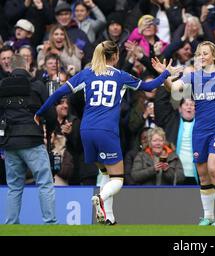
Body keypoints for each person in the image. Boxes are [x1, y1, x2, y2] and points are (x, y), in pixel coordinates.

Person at [34, 40, 179, 225]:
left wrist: (39, 114)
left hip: (86, 131)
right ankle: (101, 197)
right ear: (116, 56)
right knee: (118, 179)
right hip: (106, 131)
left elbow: (56, 94)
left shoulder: (86, 74)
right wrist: (166, 72)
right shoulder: (120, 76)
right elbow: (150, 87)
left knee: (105, 172)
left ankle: (108, 217)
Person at [160, 41, 215, 226]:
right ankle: (209, 216)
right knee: (203, 174)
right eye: (199, 54)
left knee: (213, 169)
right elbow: (173, 88)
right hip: (201, 130)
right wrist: (165, 75)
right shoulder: (193, 77)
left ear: (213, 56)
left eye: (205, 53)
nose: (201, 56)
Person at [0, 54, 57, 224]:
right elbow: (51, 113)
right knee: (45, 182)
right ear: (27, 64)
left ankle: (10, 223)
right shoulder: (37, 86)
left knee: (14, 186)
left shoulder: (2, 86)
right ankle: (50, 222)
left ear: (10, 66)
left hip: (10, 142)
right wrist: (50, 130)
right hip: (32, 140)